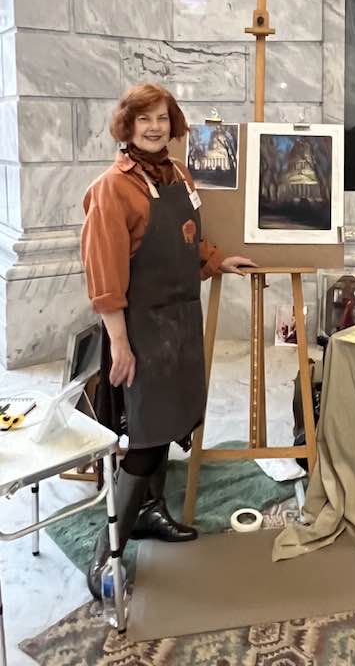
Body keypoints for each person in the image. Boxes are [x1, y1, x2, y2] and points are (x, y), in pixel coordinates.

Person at [81, 84, 256, 599]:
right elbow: (104, 277)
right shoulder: (112, 189)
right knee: (145, 435)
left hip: (180, 321)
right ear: (127, 126)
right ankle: (106, 554)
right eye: (144, 119)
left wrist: (217, 260)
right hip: (138, 329)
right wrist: (119, 343)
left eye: (161, 117)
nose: (155, 127)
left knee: (169, 420)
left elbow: (187, 238)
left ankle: (149, 513)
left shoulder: (178, 174)